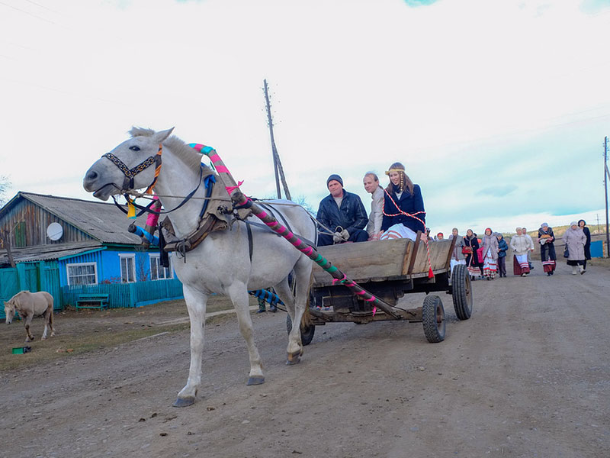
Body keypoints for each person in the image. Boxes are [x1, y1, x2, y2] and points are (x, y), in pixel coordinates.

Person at [317, 174, 369, 247]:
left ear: (341, 185)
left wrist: (349, 231)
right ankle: (323, 258)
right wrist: (333, 233)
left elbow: (362, 218)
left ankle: (362, 257)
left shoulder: (354, 198)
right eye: (330, 185)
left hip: (351, 234)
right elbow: (321, 223)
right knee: (320, 238)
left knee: (362, 234)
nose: (333, 187)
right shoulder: (324, 203)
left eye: (335, 184)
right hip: (333, 236)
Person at [379, 162, 426, 241]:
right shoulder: (388, 193)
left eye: (395, 175)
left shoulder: (414, 189)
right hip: (393, 226)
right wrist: (383, 230)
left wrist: (421, 232)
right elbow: (387, 215)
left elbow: (420, 212)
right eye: (391, 176)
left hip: (410, 227)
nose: (393, 178)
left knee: (394, 231)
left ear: (401, 175)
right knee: (385, 237)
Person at [363, 172, 384, 241]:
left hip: (381, 232)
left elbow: (379, 215)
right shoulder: (374, 200)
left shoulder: (380, 196)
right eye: (365, 184)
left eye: (369, 183)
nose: (367, 186)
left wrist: (375, 235)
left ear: (377, 182)